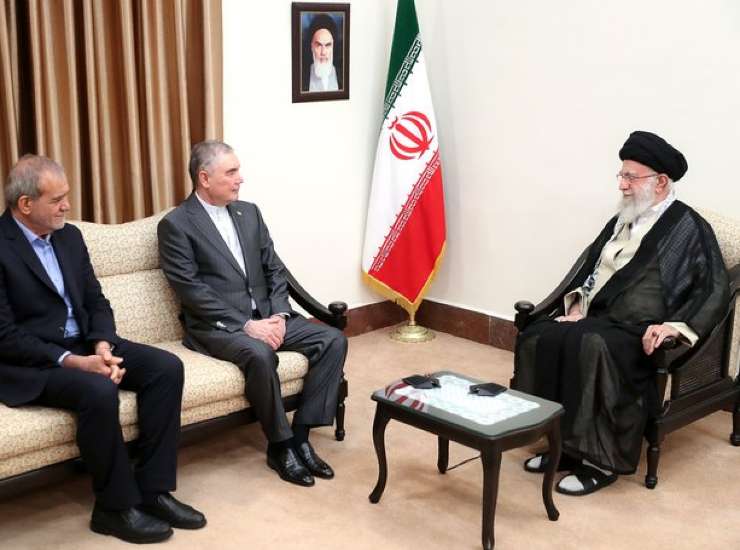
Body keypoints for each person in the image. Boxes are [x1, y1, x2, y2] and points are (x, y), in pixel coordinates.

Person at [0, 155, 206, 543]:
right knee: (98, 389)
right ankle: (113, 507)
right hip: (32, 362)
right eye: (56, 199)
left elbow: (96, 300)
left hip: (86, 343)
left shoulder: (70, 237)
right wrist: (75, 362)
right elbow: (5, 335)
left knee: (165, 368)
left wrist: (102, 344)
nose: (67, 206)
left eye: (66, 196)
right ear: (25, 204)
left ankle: (154, 490)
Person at [513, 131, 730, 496]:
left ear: (661, 182)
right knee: (540, 336)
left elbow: (714, 288)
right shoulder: (623, 219)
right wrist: (577, 307)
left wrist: (673, 327)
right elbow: (589, 270)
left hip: (638, 331)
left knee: (592, 345)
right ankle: (562, 445)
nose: (622, 185)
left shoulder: (687, 227)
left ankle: (600, 461)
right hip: (596, 319)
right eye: (621, 175)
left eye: (631, 177)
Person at [157, 140, 347, 487]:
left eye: (238, 171)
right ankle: (280, 445)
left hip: (267, 315)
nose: (240, 179)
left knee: (333, 340)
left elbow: (274, 269)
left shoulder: (250, 213)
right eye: (231, 172)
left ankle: (301, 436)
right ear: (204, 178)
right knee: (260, 354)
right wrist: (246, 325)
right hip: (218, 327)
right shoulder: (177, 225)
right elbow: (192, 291)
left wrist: (280, 315)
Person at [303, 13, 342, 92]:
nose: (323, 52)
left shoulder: (342, 76)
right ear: (311, 47)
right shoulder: (302, 78)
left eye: (328, 45)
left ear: (333, 46)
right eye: (319, 45)